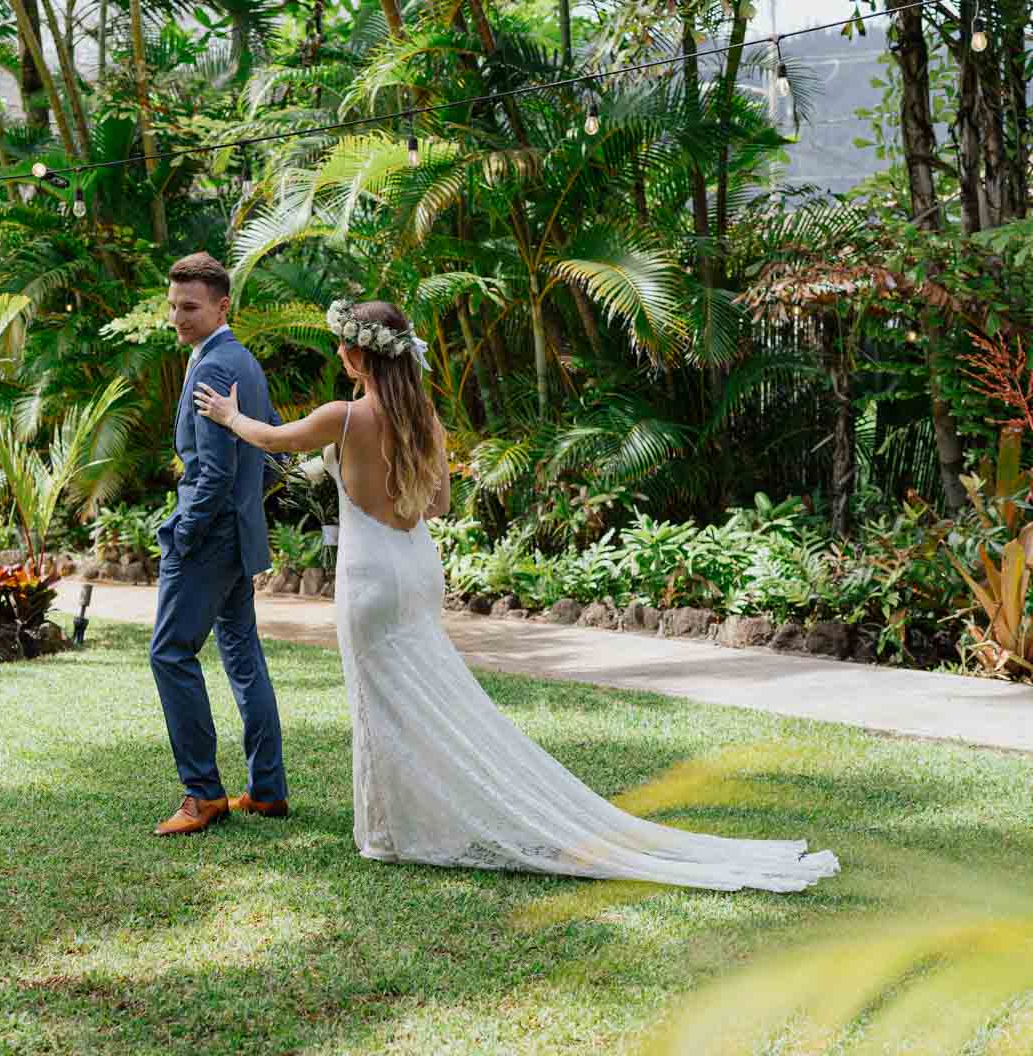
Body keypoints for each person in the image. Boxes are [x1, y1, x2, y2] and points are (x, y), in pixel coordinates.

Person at [191, 298, 839, 891]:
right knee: (425, 700)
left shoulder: (345, 415)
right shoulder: (424, 417)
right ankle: (402, 826)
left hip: (369, 581)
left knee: (379, 704)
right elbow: (438, 504)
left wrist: (227, 414)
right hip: (415, 569)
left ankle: (390, 833)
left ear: (361, 354)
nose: (338, 354)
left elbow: (273, 440)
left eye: (343, 345)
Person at [148, 253, 289, 837]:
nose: (179, 317)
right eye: (175, 305)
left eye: (191, 306)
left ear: (221, 305)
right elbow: (276, 452)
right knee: (240, 654)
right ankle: (267, 790)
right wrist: (246, 513)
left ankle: (203, 795)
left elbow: (213, 473)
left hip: (208, 539)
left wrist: (186, 530)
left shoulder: (213, 368)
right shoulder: (240, 360)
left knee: (170, 654)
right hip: (239, 535)